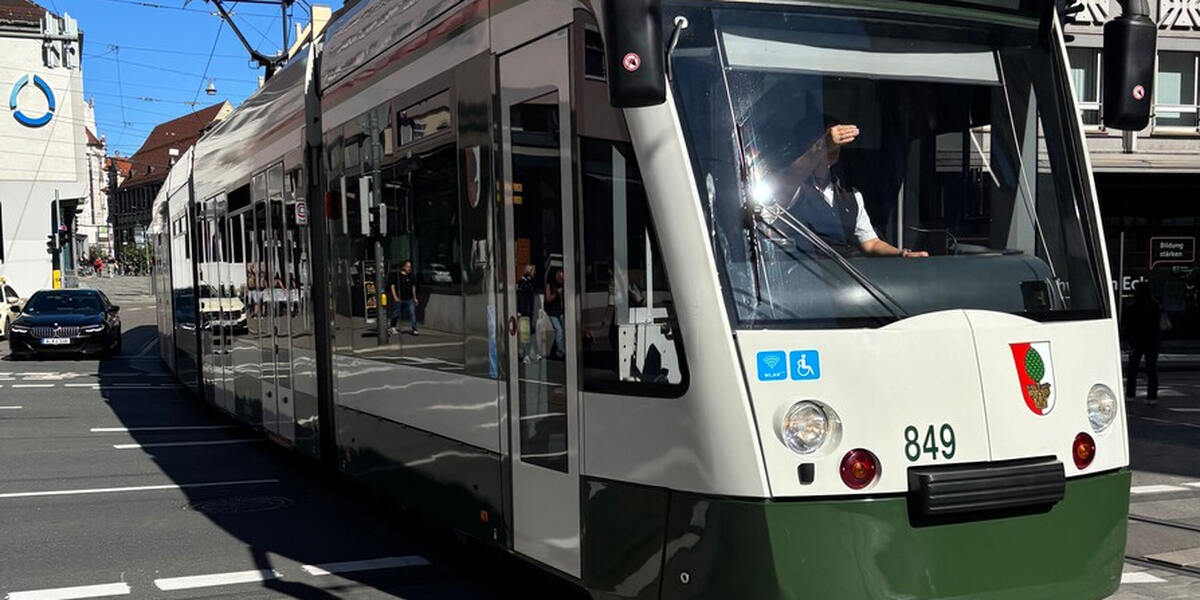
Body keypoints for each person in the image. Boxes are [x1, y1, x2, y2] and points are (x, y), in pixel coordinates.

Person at [780, 123, 928, 258]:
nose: (833, 147)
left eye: (837, 142)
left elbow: (871, 244)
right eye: (829, 140)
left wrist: (902, 254)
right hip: (808, 276)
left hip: (850, 277)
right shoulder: (795, 188)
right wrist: (820, 146)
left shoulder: (851, 194)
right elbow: (791, 177)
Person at [1124, 282, 1163, 405]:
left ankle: (1130, 394)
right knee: (1151, 369)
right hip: (1152, 341)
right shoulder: (1156, 306)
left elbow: (1128, 325)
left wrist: (1129, 339)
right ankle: (1152, 396)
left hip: (1137, 341)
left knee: (1133, 369)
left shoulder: (1133, 307)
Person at [516, 265, 540, 362]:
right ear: (529, 272)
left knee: (532, 333)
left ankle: (534, 353)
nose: (534, 273)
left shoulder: (530, 283)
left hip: (531, 312)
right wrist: (519, 311)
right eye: (533, 271)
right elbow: (521, 299)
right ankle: (525, 354)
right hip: (525, 312)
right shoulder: (523, 283)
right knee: (526, 334)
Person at [389, 260, 418, 336]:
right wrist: (395, 297)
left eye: (410, 267)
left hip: (409, 299)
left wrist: (415, 298)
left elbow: (413, 287)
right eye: (408, 266)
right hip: (400, 298)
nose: (409, 268)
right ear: (403, 267)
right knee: (396, 313)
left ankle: (415, 329)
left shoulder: (411, 276)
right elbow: (392, 286)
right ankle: (392, 326)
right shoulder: (397, 276)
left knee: (412, 313)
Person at [545, 268, 565, 359]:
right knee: (559, 330)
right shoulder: (550, 284)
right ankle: (560, 351)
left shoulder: (563, 285)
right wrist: (557, 293)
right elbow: (548, 299)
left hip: (560, 311)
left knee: (565, 330)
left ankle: (562, 347)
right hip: (552, 311)